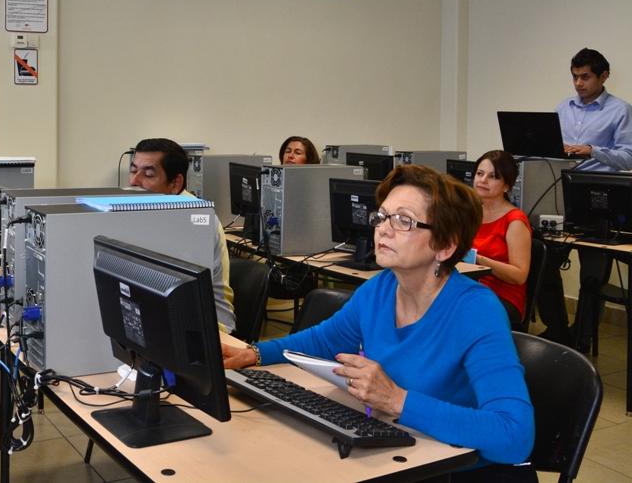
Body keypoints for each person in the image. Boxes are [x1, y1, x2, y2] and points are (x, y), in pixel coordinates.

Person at [222, 165, 534, 475]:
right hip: (399, 454)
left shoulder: (475, 310)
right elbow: (322, 341)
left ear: (445, 245)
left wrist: (397, 400)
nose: (383, 229)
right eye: (382, 216)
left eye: (404, 221)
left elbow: (514, 435)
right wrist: (256, 353)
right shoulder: (381, 288)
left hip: (452, 472)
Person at [555, 48, 632, 350]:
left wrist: (592, 150)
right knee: (545, 257)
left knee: (592, 273)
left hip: (599, 196)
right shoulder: (563, 107)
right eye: (575, 77)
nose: (578, 83)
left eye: (585, 77)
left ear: (604, 76)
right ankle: (558, 330)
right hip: (561, 190)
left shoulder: (620, 110)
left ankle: (581, 338)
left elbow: (628, 157)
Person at [129, 138, 236, 332]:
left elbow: (181, 292)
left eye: (148, 174)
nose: (134, 181)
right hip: (166, 316)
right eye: (134, 170)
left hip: (211, 325)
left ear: (175, 183)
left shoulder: (194, 218)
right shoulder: (151, 209)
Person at [471, 150, 532, 328]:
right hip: (471, 288)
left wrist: (479, 260)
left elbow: (519, 275)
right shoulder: (471, 212)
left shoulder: (514, 221)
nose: (482, 180)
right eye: (480, 174)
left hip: (502, 296)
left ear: (506, 185)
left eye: (493, 176)